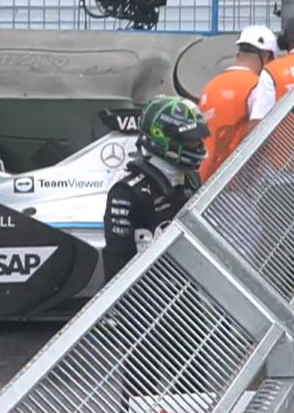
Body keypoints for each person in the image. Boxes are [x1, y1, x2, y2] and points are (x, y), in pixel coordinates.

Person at [102, 96, 208, 280]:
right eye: (191, 141)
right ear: (163, 138)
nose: (198, 146)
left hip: (187, 287)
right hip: (146, 293)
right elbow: (116, 266)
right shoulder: (126, 193)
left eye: (199, 140)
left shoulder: (193, 180)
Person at [198, 25, 276, 181]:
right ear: (266, 56)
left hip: (204, 178)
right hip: (236, 180)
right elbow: (258, 131)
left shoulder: (211, 85)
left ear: (239, 55)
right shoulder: (258, 85)